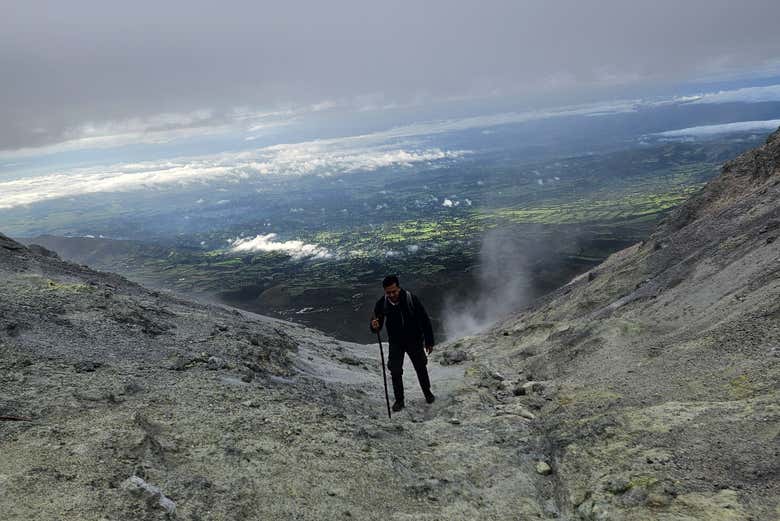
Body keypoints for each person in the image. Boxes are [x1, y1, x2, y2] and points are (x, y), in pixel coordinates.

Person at [369, 275, 435, 412]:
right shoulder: (382, 304)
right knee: (395, 370)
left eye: (394, 291)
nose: (392, 295)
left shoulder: (410, 299)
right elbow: (377, 326)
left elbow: (424, 319)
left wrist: (429, 341)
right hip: (396, 342)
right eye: (388, 292)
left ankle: (427, 393)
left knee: (420, 366)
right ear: (385, 291)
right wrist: (374, 325)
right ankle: (399, 401)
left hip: (414, 340)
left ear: (399, 288)